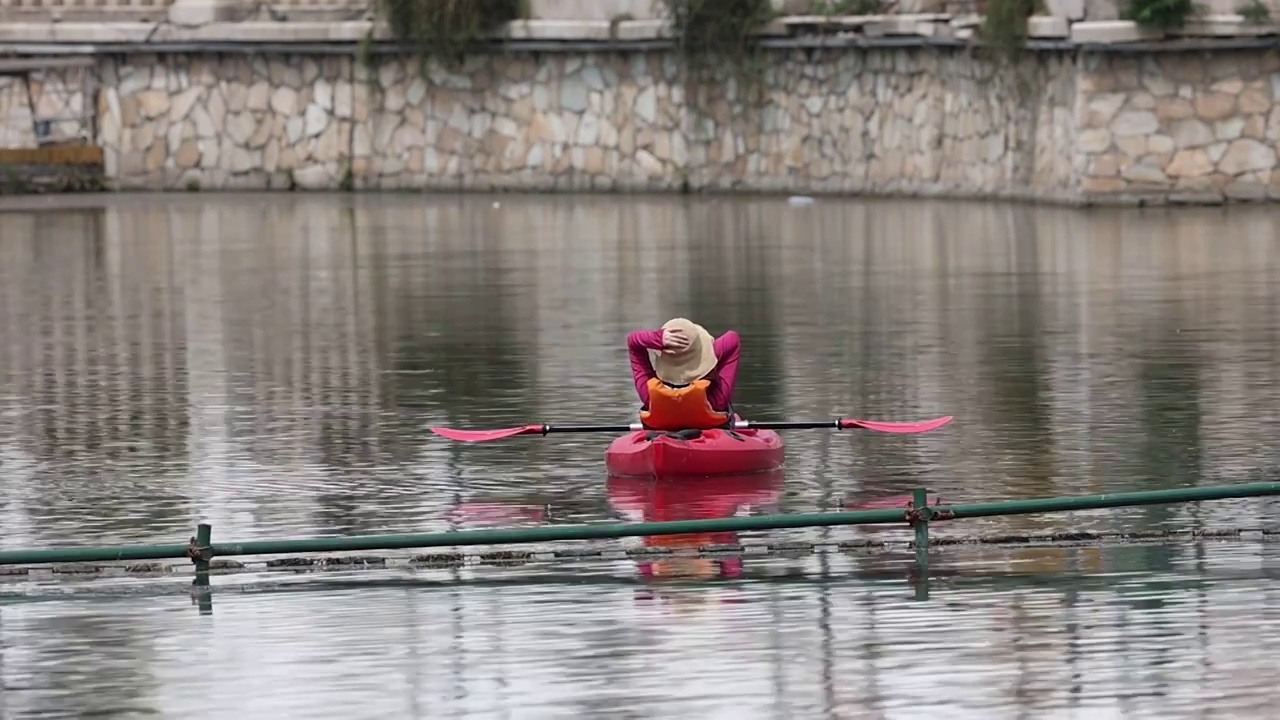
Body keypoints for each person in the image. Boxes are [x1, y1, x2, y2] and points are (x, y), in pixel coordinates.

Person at [626, 318, 740, 431]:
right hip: (711, 424)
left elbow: (633, 341)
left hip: (659, 426)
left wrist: (658, 339)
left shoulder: (649, 396)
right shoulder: (716, 400)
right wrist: (708, 352)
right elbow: (733, 338)